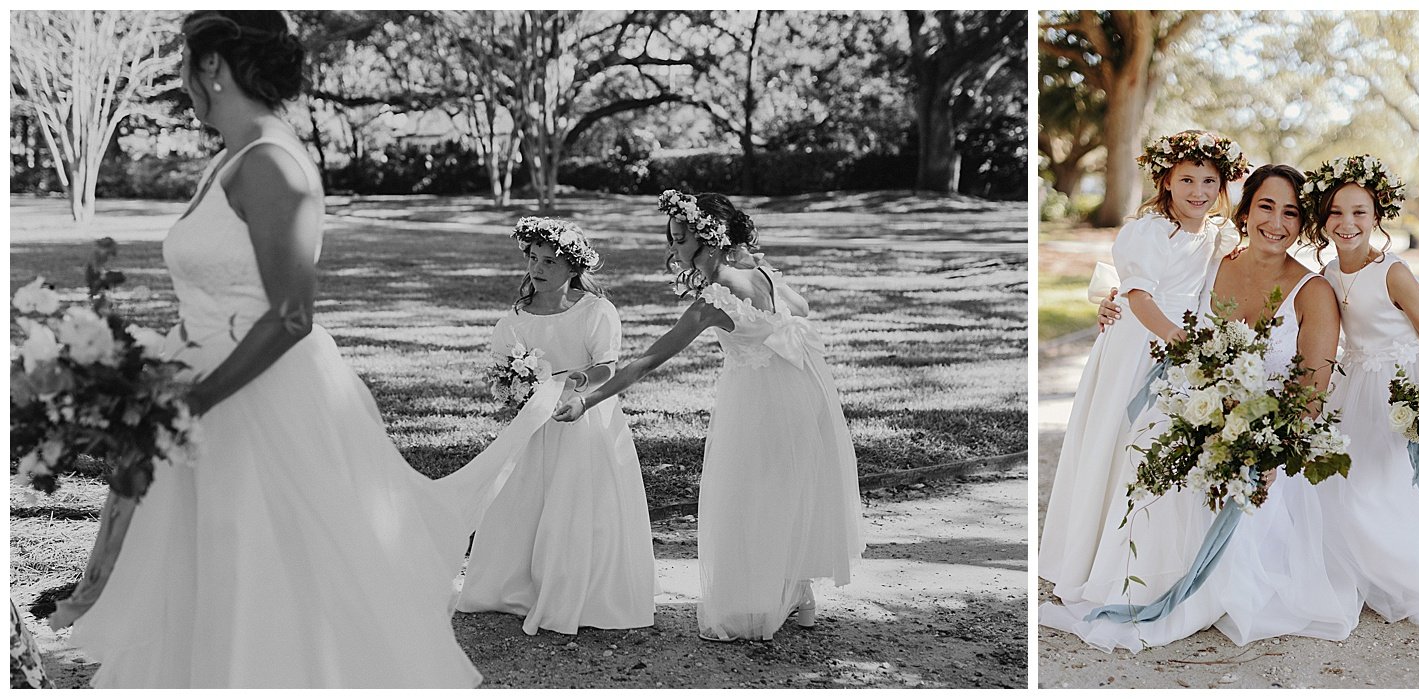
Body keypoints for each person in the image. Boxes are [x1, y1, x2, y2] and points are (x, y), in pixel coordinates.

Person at [67, 11, 545, 687]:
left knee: (265, 591)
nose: (182, 79)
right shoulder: (231, 157)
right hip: (208, 395)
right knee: (204, 588)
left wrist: (189, 400)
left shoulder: (271, 162)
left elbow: (290, 315)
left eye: (183, 63)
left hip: (254, 402)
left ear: (211, 66)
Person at [1045, 164, 1359, 650]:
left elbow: (1310, 396)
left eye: (1291, 213)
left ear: (1304, 223)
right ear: (1245, 211)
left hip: (1265, 445)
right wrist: (1113, 302)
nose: (1276, 223)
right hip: (1201, 418)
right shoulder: (1214, 259)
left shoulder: (1314, 293)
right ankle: (1136, 570)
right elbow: (1155, 283)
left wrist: (1266, 453)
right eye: (1266, 207)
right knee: (1151, 450)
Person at [552, 190, 863, 641]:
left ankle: (761, 607)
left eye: (679, 240)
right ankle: (800, 592)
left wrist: (587, 400)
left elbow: (646, 361)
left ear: (708, 241)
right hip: (801, 394)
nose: (672, 250)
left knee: (748, 496)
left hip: (756, 404)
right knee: (787, 489)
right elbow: (801, 309)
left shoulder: (713, 302)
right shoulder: (761, 275)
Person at [1039, 130, 1245, 601]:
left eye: (1210, 181)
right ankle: (1101, 555)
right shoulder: (1149, 231)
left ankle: (1159, 554)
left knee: (1172, 442)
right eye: (1187, 179)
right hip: (1142, 343)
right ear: (1166, 181)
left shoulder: (1217, 234)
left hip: (1186, 342)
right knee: (1122, 438)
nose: (1199, 191)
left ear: (1223, 185)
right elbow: (1138, 295)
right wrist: (1176, 337)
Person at [1305, 155, 1419, 635]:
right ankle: (1370, 570)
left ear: (1377, 217)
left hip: (1404, 386)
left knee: (1393, 485)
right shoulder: (1327, 271)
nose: (1347, 223)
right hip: (1358, 384)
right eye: (1336, 212)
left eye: (1359, 212)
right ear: (1323, 218)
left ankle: (1414, 576)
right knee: (1352, 482)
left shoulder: (1393, 271)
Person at [457, 218, 656, 635]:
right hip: (534, 423)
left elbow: (606, 366)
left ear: (572, 267)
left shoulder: (596, 312)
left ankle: (577, 591)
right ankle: (517, 587)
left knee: (577, 505)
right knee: (523, 502)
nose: (538, 268)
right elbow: (501, 375)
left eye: (550, 260)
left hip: (584, 418)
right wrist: (519, 390)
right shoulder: (514, 321)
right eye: (533, 258)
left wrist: (572, 384)